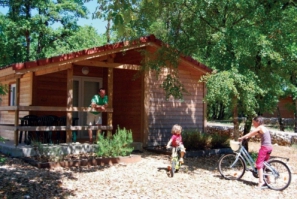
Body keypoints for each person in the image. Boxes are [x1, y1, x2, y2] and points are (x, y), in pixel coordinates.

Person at [238, 116, 272, 188]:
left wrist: (242, 138)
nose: (253, 124)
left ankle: (261, 181)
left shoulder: (260, 127)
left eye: (254, 122)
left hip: (265, 147)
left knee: (259, 164)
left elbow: (251, 133)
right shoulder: (263, 128)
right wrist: (246, 137)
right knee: (265, 164)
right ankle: (268, 180)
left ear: (258, 122)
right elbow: (253, 134)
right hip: (269, 147)